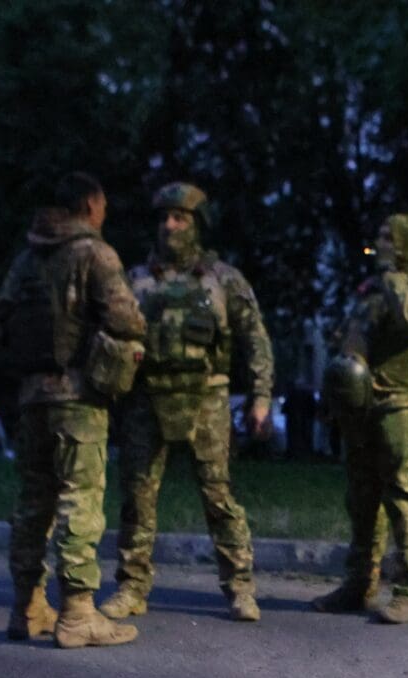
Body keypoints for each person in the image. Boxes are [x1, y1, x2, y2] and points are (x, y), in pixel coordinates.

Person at [100, 181, 273, 624]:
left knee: (218, 495)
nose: (170, 226)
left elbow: (255, 340)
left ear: (198, 225)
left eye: (180, 218)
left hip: (207, 398)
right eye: (164, 218)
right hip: (147, 399)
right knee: (137, 496)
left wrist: (260, 398)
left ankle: (240, 587)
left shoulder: (224, 280)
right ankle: (132, 587)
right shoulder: (134, 281)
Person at [0, 172, 147, 648]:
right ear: (89, 203)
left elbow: (2, 319)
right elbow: (123, 316)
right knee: (79, 499)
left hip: (31, 397)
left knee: (32, 504)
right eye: (103, 203)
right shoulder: (94, 253)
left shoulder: (26, 257)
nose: (106, 213)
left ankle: (27, 607)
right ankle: (79, 613)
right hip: (79, 398)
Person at [311, 213, 408, 624]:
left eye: (388, 238)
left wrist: (392, 277)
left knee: (402, 497)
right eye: (378, 237)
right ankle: (359, 585)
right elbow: (348, 342)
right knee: (361, 500)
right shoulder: (373, 288)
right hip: (364, 406)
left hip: (405, 404)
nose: (379, 244)